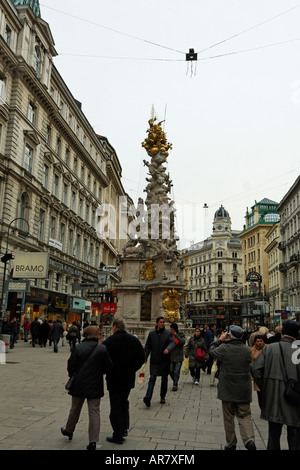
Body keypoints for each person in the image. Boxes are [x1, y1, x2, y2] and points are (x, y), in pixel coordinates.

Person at [61, 325, 113, 450]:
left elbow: (70, 365)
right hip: (95, 384)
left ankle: (69, 430)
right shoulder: (102, 349)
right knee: (94, 411)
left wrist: (73, 374)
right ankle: (93, 441)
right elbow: (108, 367)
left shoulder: (78, 347)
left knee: (75, 409)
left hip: (79, 383)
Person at [251, 319, 300, 450]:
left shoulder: (270, 349)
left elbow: (255, 369)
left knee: (273, 435)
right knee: (295, 436)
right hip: (295, 400)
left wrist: (265, 387)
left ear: (282, 333)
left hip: (274, 399)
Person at [209, 325, 256, 451]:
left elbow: (212, 351)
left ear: (229, 335)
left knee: (229, 417)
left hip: (228, 388)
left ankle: (231, 444)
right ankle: (249, 440)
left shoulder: (224, 348)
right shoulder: (247, 350)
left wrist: (220, 339)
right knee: (245, 415)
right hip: (243, 389)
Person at [103, 318, 145, 444]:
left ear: (115, 327)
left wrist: (109, 370)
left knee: (115, 406)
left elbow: (103, 359)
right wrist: (132, 369)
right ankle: (124, 428)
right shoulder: (134, 340)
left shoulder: (109, 341)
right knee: (124, 402)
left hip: (114, 378)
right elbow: (141, 358)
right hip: (127, 378)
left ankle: (118, 435)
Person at [143, 317, 175, 407]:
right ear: (157, 323)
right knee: (152, 378)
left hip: (164, 360)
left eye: (163, 322)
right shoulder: (152, 334)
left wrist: (168, 349)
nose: (162, 323)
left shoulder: (168, 333)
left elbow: (172, 343)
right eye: (160, 322)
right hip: (155, 360)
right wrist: (145, 357)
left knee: (164, 379)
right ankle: (148, 397)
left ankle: (162, 396)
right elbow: (148, 347)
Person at [251, 334, 266, 409]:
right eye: (258, 341)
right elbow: (250, 363)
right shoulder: (252, 350)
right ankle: (262, 409)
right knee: (260, 394)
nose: (260, 343)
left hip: (267, 374)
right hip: (258, 375)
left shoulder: (267, 348)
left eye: (261, 341)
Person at [169, 322, 186, 391]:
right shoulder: (169, 335)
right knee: (170, 371)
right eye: (171, 329)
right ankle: (175, 380)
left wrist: (176, 335)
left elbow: (182, 342)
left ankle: (175, 384)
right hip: (171, 356)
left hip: (178, 356)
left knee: (176, 371)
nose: (171, 330)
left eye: (172, 329)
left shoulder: (180, 334)